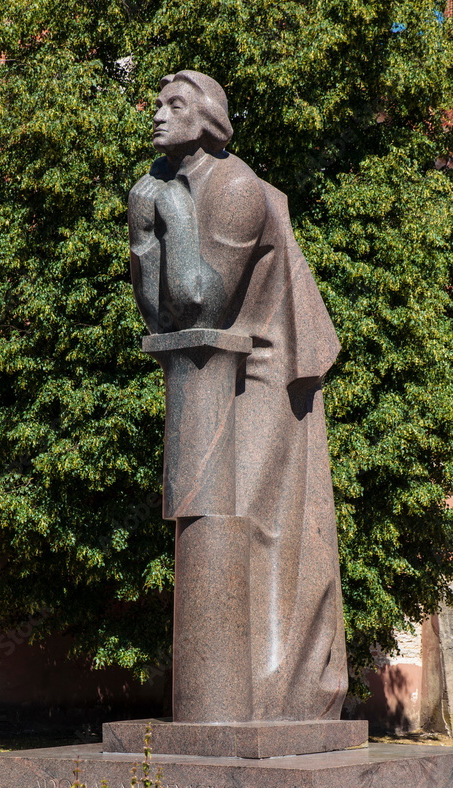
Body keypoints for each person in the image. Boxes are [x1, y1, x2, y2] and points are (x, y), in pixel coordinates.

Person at [129, 70, 348, 721]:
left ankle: (272, 695)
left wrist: (169, 217)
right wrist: (143, 231)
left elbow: (201, 299)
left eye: (174, 105)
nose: (157, 115)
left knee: (253, 517)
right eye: (157, 104)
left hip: (265, 369)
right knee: (219, 513)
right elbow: (164, 317)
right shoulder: (166, 181)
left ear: (207, 120)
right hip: (213, 362)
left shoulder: (234, 188)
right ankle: (224, 700)